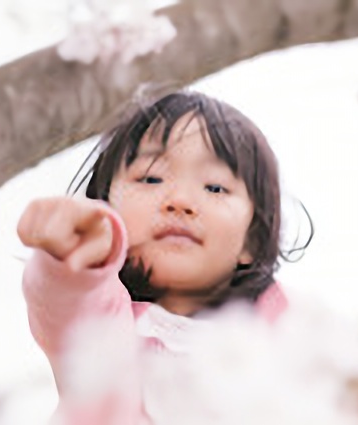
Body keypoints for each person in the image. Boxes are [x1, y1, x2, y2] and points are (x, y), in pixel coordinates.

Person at [17, 91, 311, 423]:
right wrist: (75, 254)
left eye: (215, 188)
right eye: (151, 178)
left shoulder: (287, 337)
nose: (180, 200)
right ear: (106, 208)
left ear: (252, 241)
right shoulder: (106, 330)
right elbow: (69, 300)